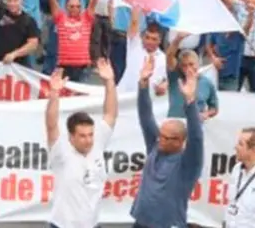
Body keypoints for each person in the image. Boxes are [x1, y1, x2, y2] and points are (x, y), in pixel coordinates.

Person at [130, 56, 204, 228]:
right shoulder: (156, 147)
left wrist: (190, 101)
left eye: (165, 137)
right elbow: (146, 117)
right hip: (141, 222)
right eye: (160, 135)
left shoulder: (189, 163)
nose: (159, 139)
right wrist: (143, 84)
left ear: (179, 141)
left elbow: (196, 137)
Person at [45, 58, 117, 228]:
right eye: (82, 136)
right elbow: (51, 125)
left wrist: (109, 82)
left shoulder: (97, 143)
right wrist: (54, 94)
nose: (88, 140)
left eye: (90, 135)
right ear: (71, 137)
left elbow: (110, 114)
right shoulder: (61, 151)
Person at [166, 36, 219, 119]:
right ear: (180, 67)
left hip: (195, 125)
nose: (188, 68)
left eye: (191, 64)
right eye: (184, 65)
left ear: (198, 64)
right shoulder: (175, 77)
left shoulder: (207, 83)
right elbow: (169, 56)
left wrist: (206, 114)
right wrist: (178, 39)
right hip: (175, 125)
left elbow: (214, 108)